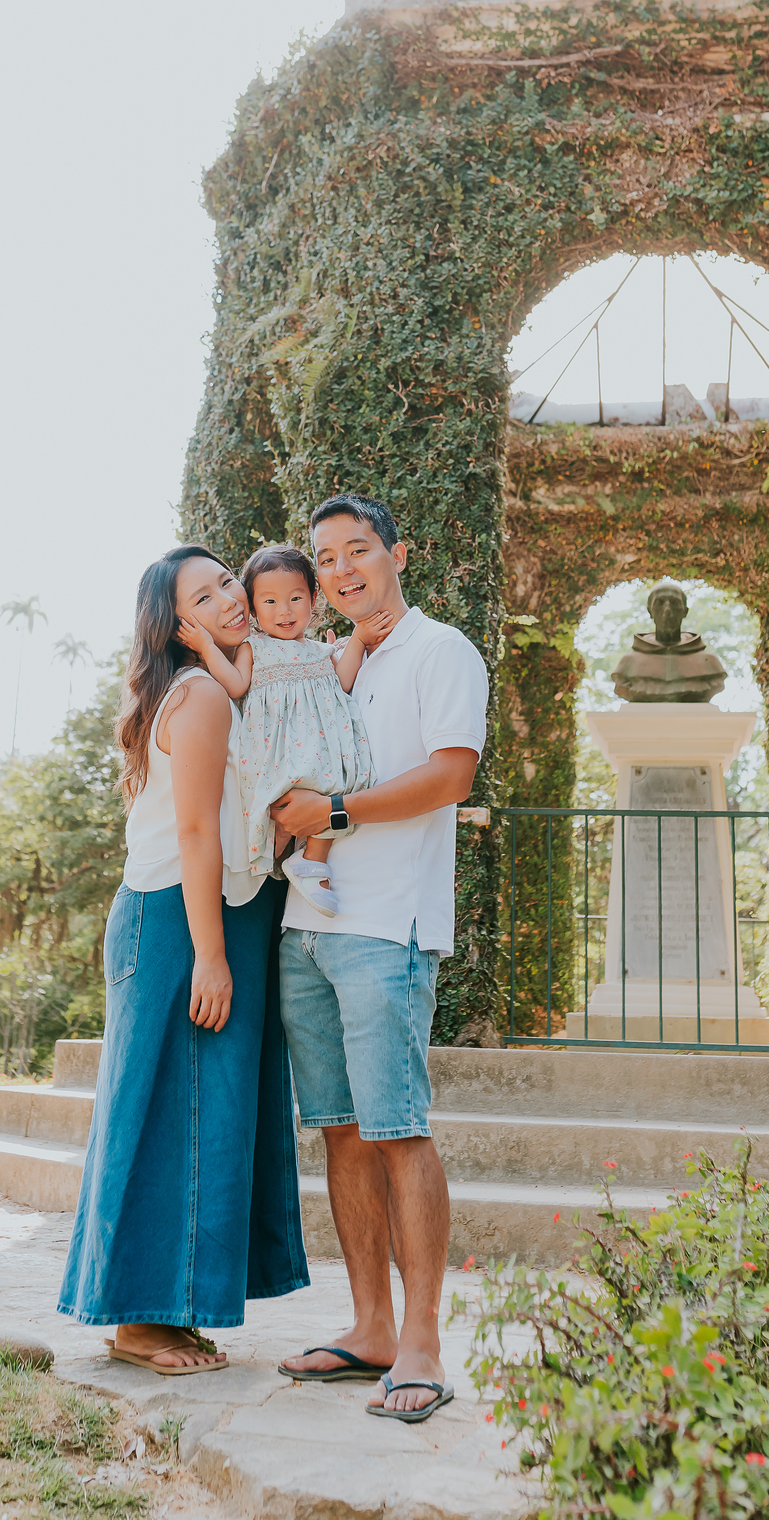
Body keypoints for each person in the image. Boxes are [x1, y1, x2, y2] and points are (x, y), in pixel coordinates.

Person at [57, 545, 308, 1371]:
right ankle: (139, 1322)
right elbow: (196, 833)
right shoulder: (200, 695)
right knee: (168, 1110)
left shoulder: (223, 689)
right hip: (180, 924)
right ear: (178, 624)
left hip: (207, 917)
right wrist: (211, 956)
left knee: (201, 1112)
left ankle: (169, 1308)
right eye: (207, 595)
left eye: (228, 581)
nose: (233, 598)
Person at [270, 495, 489, 1422]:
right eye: (327, 559)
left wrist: (338, 815)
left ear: (399, 552)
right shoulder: (325, 662)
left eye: (359, 549)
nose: (344, 568)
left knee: (396, 1127)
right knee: (340, 1128)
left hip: (387, 925)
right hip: (304, 925)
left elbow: (450, 774)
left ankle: (423, 1345)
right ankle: (367, 1328)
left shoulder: (441, 651)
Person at [178, 541, 387, 917]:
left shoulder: (320, 652)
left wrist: (357, 638)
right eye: (270, 602)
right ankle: (272, 872)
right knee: (277, 816)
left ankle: (312, 861)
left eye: (295, 598)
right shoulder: (253, 648)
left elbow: (341, 681)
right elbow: (236, 684)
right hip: (276, 752)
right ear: (254, 607)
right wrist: (207, 647)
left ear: (313, 599)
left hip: (320, 749)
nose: (285, 611)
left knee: (337, 787)